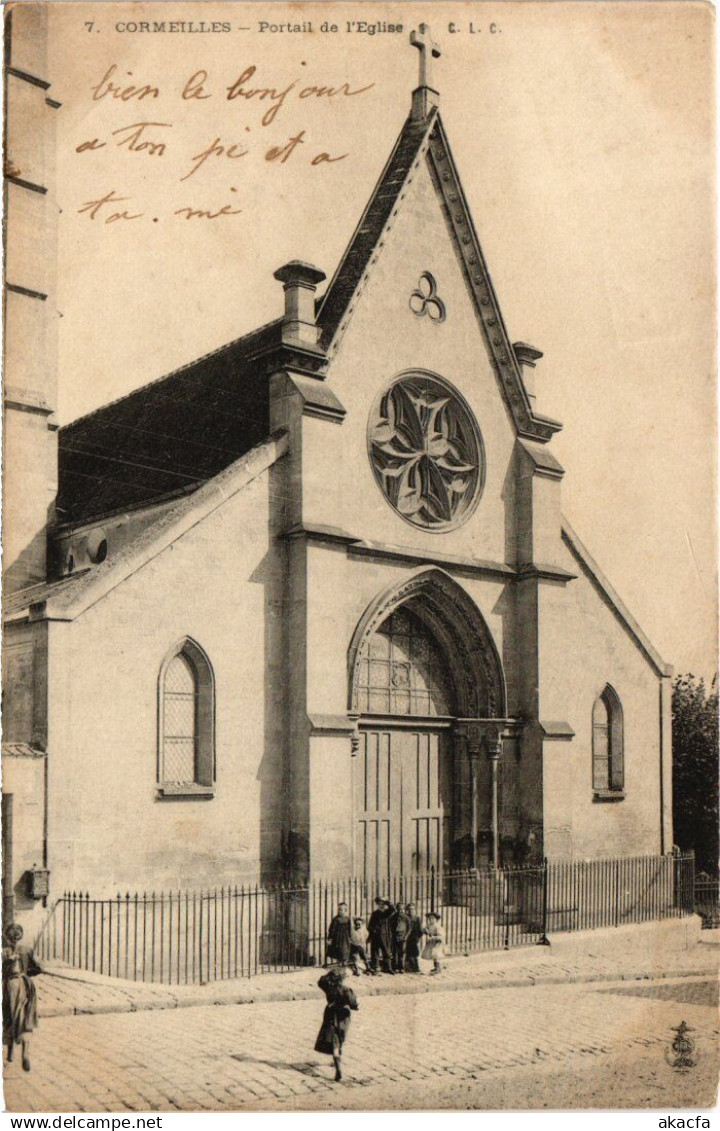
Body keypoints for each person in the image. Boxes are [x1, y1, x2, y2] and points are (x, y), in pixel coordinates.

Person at [2, 923, 42, 1072]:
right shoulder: (27, 950)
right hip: (25, 985)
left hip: (9, 987)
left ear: (6, 937)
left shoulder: (4, 952)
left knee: (9, 1017)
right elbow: (39, 967)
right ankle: (25, 1053)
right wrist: (27, 973)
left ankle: (9, 1056)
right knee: (25, 1018)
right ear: (21, 935)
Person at [314, 967, 359, 1082]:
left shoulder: (328, 987)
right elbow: (354, 1004)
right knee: (340, 1037)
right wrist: (355, 1006)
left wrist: (329, 976)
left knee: (334, 1040)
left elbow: (321, 981)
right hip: (343, 1017)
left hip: (331, 1015)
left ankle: (337, 1061)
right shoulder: (346, 990)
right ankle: (338, 1062)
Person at [367, 897, 394, 973]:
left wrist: (388, 902)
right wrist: (372, 930)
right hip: (375, 935)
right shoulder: (374, 913)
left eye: (382, 904)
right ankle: (376, 967)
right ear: (377, 904)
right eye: (379, 904)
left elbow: (393, 910)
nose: (381, 905)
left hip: (384, 935)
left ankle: (388, 968)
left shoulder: (386, 913)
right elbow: (370, 925)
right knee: (375, 952)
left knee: (386, 951)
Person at [326, 902, 352, 967]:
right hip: (337, 938)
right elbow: (332, 929)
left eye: (341, 909)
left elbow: (350, 929)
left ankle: (344, 963)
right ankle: (340, 964)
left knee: (345, 951)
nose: (339, 911)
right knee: (339, 951)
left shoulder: (348, 919)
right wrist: (330, 938)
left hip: (345, 938)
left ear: (345, 910)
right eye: (339, 909)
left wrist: (350, 937)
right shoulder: (336, 919)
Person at [391, 901, 411, 972]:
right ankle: (395, 967)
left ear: (404, 909)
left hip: (403, 937)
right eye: (398, 909)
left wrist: (406, 936)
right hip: (395, 936)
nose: (400, 910)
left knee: (402, 952)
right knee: (394, 952)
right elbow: (390, 926)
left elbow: (409, 928)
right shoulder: (393, 917)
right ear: (396, 909)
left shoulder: (406, 918)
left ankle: (401, 967)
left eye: (401, 909)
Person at [404, 902, 425, 973]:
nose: (411, 911)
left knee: (415, 952)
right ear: (407, 910)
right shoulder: (405, 917)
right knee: (407, 952)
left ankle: (416, 967)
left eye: (412, 909)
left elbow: (420, 929)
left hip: (414, 937)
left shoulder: (417, 918)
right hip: (406, 937)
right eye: (409, 909)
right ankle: (408, 967)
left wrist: (418, 937)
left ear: (415, 910)